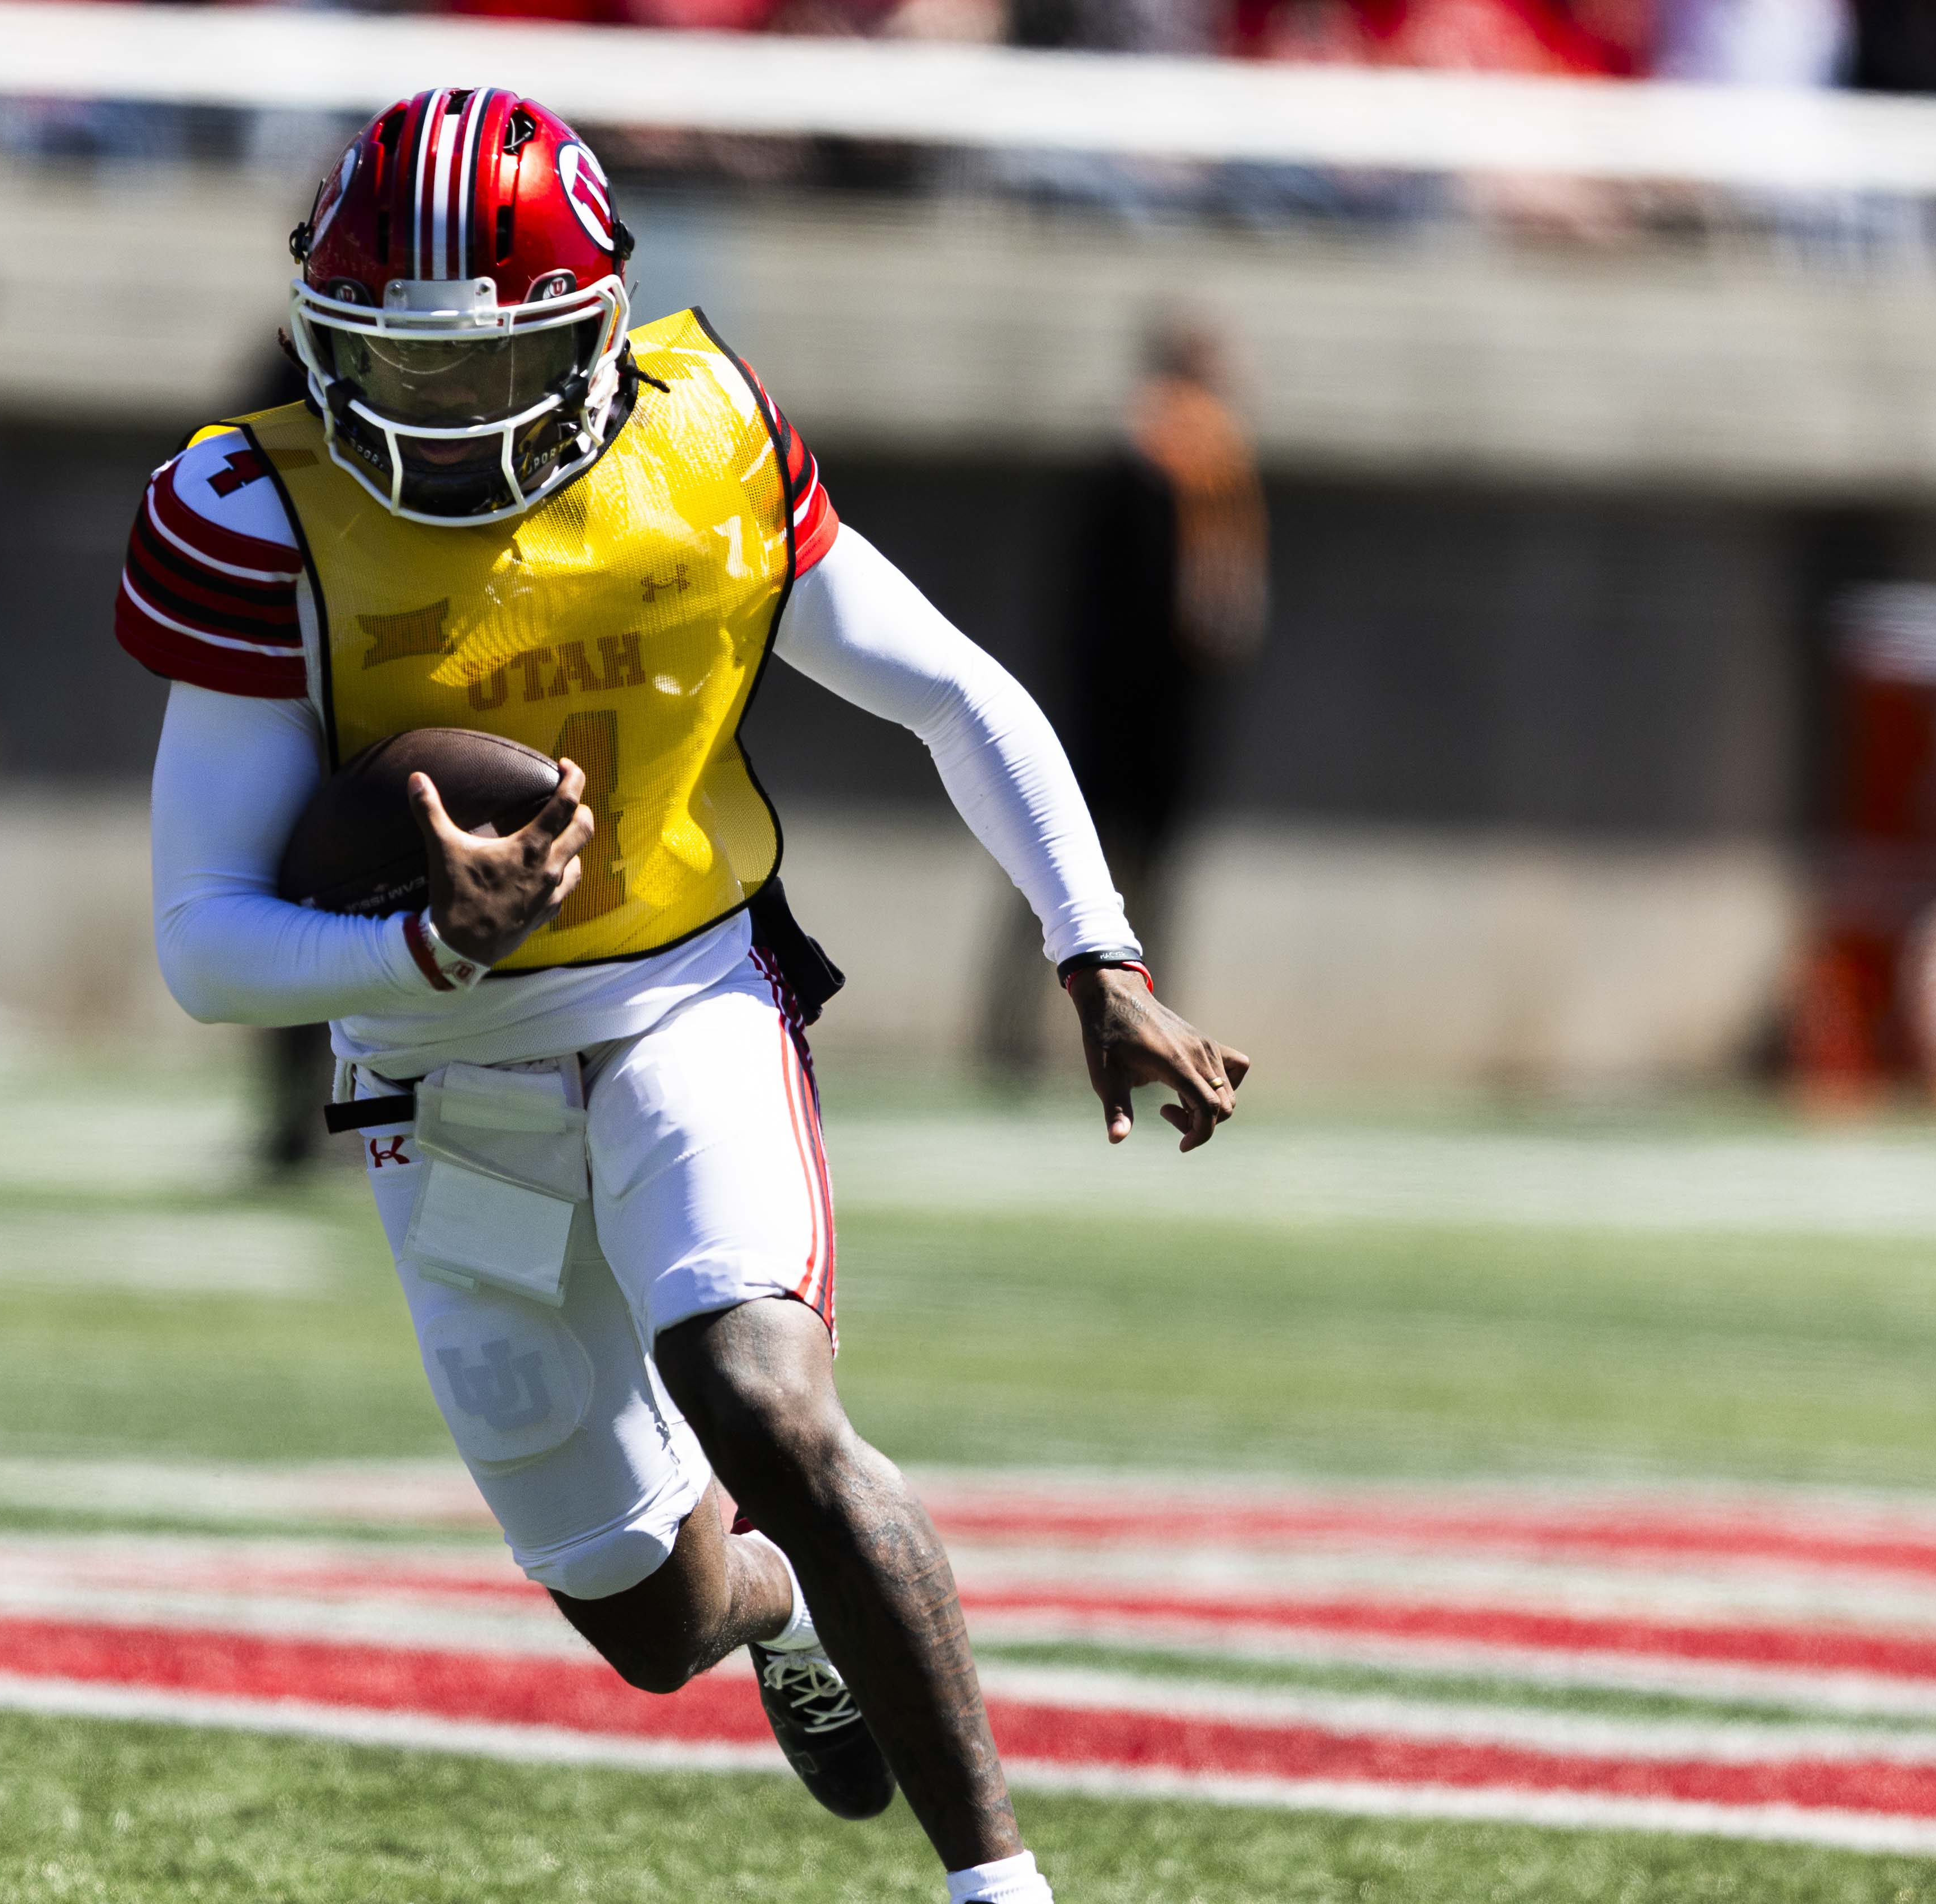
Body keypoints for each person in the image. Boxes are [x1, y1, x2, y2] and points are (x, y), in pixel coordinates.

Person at [121, 89, 1248, 1904]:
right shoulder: (258, 512)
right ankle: (775, 1595)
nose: (439, 417)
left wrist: (1093, 946)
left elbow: (949, 690)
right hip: (431, 1053)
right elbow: (202, 939)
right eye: (391, 373)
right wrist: (422, 945)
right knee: (652, 1615)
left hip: (677, 992)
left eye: (483, 368)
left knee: (764, 1400)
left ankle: (997, 1883)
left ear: (590, 327)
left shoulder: (702, 434)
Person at [1064, 311, 1265, 985]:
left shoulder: (1218, 463)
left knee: (1155, 867)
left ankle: (1148, 1002)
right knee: (1081, 860)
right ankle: (1049, 1021)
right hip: (1115, 696)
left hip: (1176, 697)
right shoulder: (1135, 454)